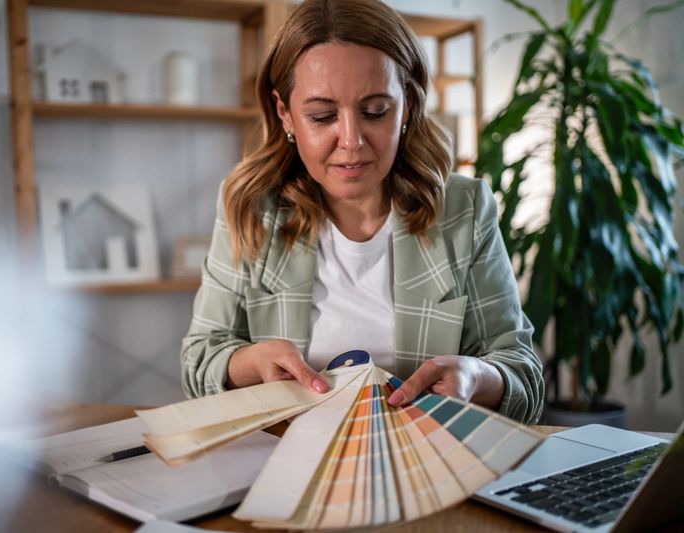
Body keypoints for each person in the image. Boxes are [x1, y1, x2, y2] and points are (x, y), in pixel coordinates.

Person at [180, 0, 543, 424]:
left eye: (375, 111)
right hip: (288, 453)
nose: (351, 141)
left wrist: (478, 377)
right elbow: (198, 361)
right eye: (322, 116)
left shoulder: (464, 209)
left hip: (425, 454)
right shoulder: (251, 207)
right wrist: (250, 363)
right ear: (285, 114)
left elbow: (524, 376)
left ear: (407, 105)